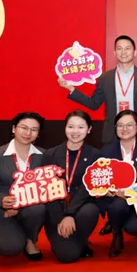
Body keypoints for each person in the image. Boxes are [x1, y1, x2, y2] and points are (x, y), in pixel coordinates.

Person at [0, 112, 47, 262]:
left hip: (27, 206)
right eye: (23, 127)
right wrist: (2, 200)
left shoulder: (44, 155)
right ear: (14, 129)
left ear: (38, 134)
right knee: (12, 248)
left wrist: (21, 203)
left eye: (34, 129)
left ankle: (30, 239)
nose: (28, 133)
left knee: (39, 209)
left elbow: (44, 185)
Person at [58, 35, 137, 145]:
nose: (123, 52)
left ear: (134, 52)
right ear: (115, 53)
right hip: (112, 132)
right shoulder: (105, 77)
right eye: (119, 48)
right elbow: (94, 104)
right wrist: (71, 89)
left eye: (127, 48)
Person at [41, 110, 102, 263]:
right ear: (65, 128)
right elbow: (47, 188)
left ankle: (80, 240)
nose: (75, 131)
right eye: (71, 127)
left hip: (81, 205)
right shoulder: (50, 154)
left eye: (81, 127)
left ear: (89, 129)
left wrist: (69, 214)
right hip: (55, 208)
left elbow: (87, 188)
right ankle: (72, 243)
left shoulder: (96, 155)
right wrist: (60, 218)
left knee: (90, 210)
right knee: (67, 256)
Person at [98, 110, 137, 257]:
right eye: (120, 125)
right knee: (117, 205)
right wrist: (106, 190)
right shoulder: (106, 151)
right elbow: (102, 179)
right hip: (116, 199)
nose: (124, 129)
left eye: (129, 125)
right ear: (115, 128)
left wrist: (129, 193)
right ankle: (117, 234)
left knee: (134, 227)